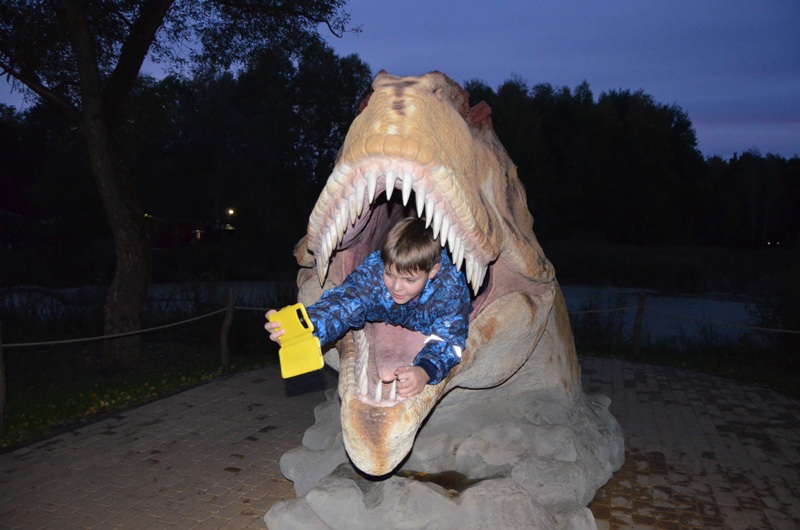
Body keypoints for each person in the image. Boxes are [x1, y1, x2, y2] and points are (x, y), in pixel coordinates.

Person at [265, 217, 471, 398]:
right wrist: (305, 325)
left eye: (409, 280)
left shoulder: (450, 289)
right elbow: (344, 302)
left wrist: (426, 370)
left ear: (432, 271)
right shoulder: (374, 271)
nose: (397, 287)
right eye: (390, 274)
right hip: (385, 308)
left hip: (428, 315)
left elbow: (450, 339)